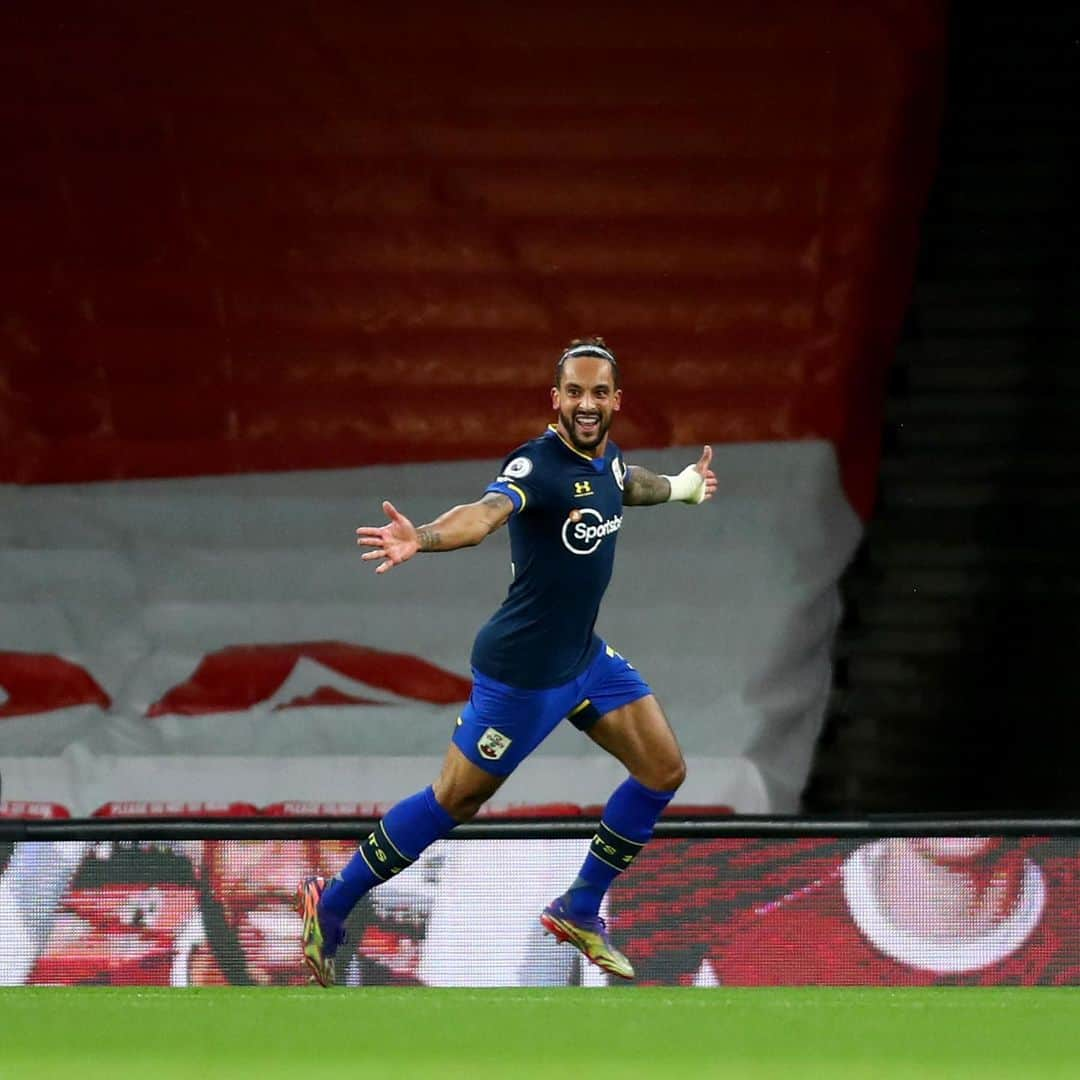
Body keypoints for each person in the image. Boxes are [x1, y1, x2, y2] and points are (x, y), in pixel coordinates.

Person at [297, 337, 716, 985]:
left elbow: (626, 484)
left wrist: (684, 488)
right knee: (452, 803)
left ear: (616, 401)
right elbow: (484, 514)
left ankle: (579, 907)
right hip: (520, 675)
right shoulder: (538, 464)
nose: (586, 403)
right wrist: (425, 538)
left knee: (663, 770)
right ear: (555, 399)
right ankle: (335, 902)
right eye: (574, 392)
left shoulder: (605, 458)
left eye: (598, 392)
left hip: (585, 660)